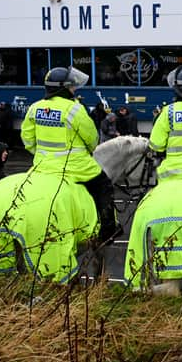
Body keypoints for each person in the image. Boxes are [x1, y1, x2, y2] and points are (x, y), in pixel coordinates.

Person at [21, 66, 121, 243]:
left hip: (42, 167)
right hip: (76, 168)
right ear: (64, 88)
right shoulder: (74, 109)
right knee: (104, 186)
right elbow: (92, 139)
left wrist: (45, 155)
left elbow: (27, 139)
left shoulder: (35, 108)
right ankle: (108, 229)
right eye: (72, 86)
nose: (74, 89)